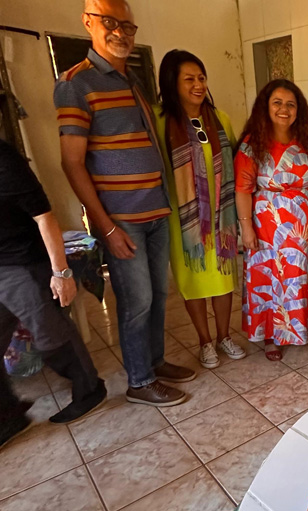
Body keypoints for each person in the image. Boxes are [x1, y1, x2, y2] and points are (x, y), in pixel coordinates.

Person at [53, 0, 194, 406]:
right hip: (122, 219)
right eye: (109, 23)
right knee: (136, 302)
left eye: (128, 27)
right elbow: (71, 162)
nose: (120, 33)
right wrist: (107, 228)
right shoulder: (75, 84)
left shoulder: (131, 80)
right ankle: (140, 381)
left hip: (154, 210)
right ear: (88, 23)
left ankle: (154, 361)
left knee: (155, 296)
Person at [0, 138, 107, 449]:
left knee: (52, 336)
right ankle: (7, 415)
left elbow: (44, 217)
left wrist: (61, 274)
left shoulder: (5, 160)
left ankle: (90, 390)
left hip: (23, 263)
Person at [154, 50, 245, 369]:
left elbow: (238, 161)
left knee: (222, 279)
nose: (198, 85)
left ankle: (224, 337)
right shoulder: (159, 119)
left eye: (201, 78)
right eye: (189, 79)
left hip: (222, 220)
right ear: (172, 83)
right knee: (193, 284)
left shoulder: (220, 119)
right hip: (184, 223)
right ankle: (205, 342)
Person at [234, 79, 308, 361]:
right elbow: (242, 190)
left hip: (307, 226)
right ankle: (272, 335)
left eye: (291, 104)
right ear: (265, 107)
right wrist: (246, 228)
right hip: (268, 227)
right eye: (277, 102)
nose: (284, 109)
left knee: (305, 277)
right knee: (272, 279)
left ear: (298, 110)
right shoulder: (252, 146)